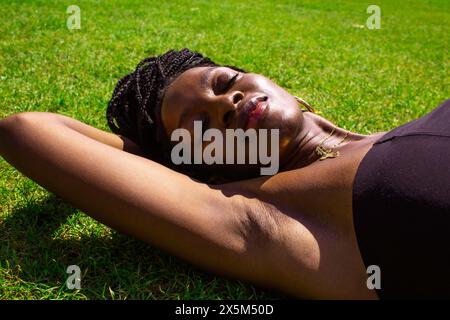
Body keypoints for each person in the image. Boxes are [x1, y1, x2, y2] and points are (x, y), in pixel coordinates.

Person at [0, 48, 448, 299]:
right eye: (202, 127)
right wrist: (163, 166)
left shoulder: (397, 132)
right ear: (200, 168)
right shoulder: (263, 215)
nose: (227, 104)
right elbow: (27, 131)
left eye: (224, 81)